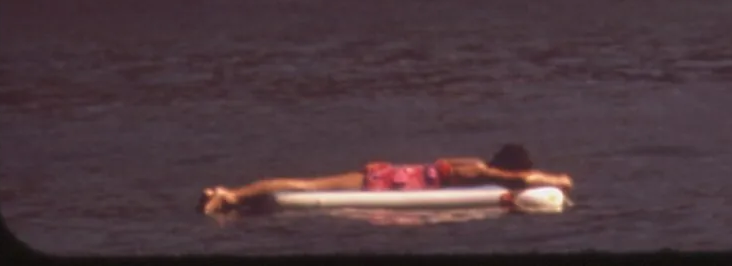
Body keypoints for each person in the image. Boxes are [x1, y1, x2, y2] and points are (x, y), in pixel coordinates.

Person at [199, 142, 571, 214]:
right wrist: (554, 178)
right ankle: (232, 195)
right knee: (306, 186)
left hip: (388, 174)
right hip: (384, 182)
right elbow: (517, 179)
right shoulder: (479, 170)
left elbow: (517, 178)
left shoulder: (480, 169)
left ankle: (234, 196)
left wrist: (546, 176)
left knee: (307, 184)